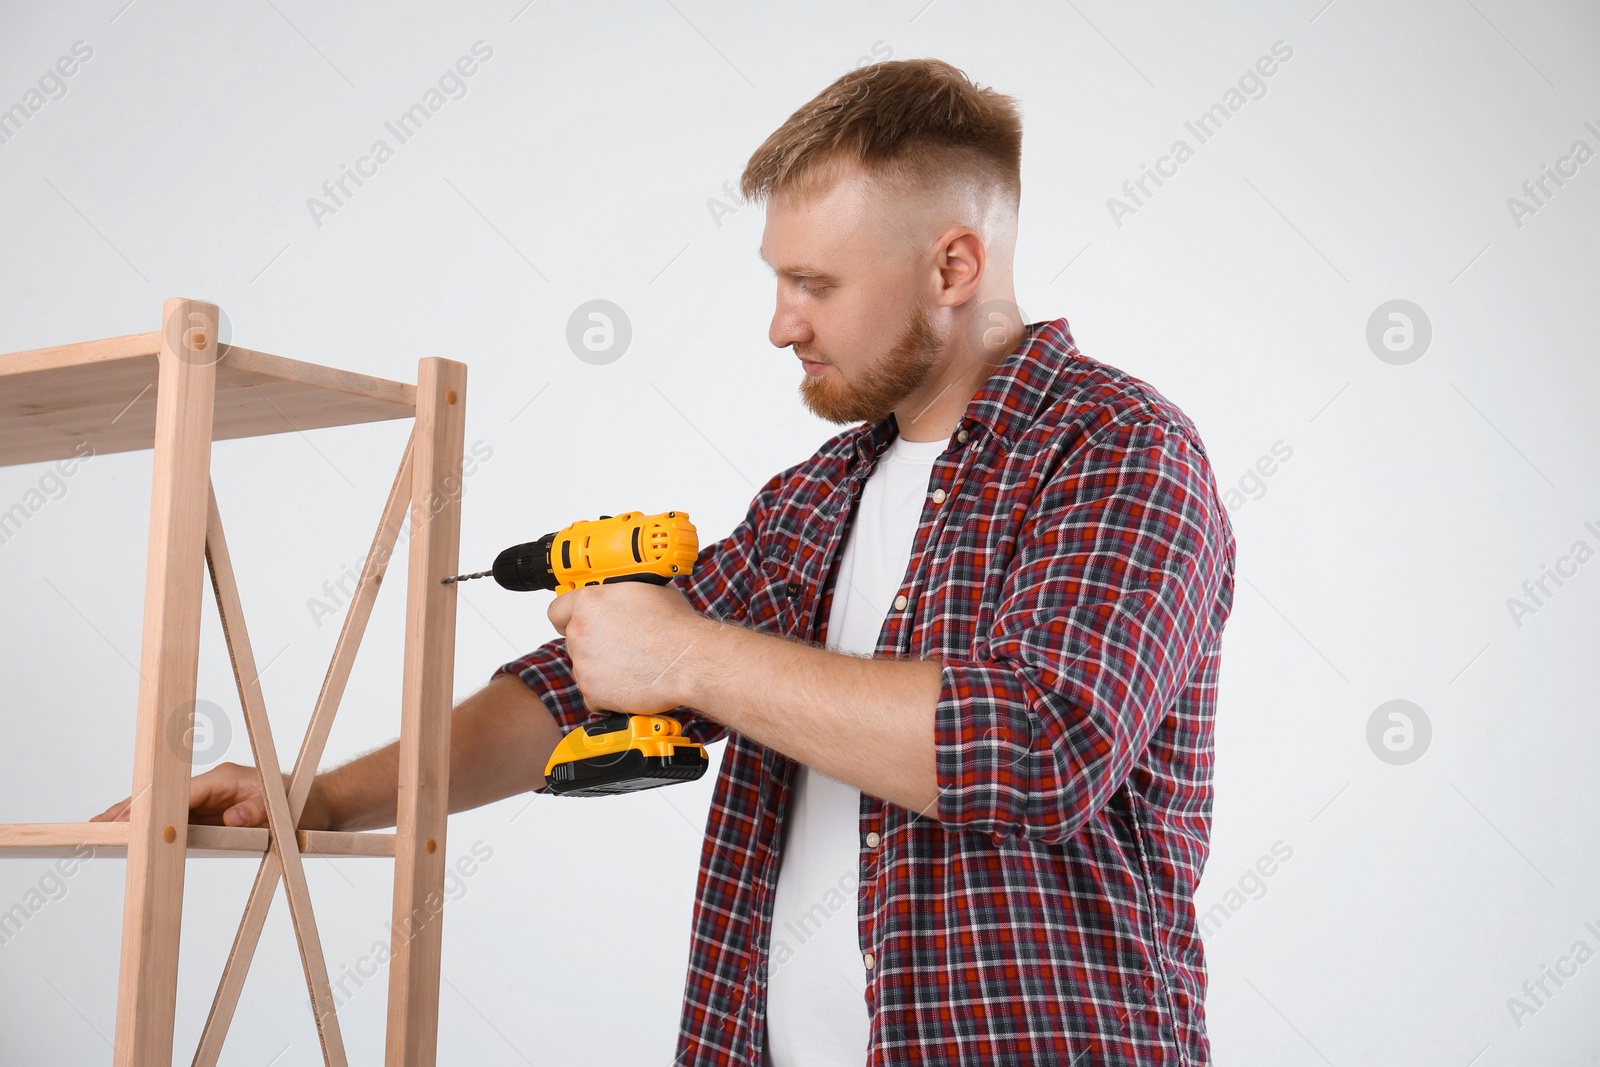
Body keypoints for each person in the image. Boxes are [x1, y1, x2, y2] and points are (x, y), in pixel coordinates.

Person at [94, 57, 1235, 1066]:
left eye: (817, 284)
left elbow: (1039, 741)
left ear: (953, 266)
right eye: (778, 278)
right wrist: (319, 797)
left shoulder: (1119, 450)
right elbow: (568, 688)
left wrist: (689, 652)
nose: (780, 324)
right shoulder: (815, 501)